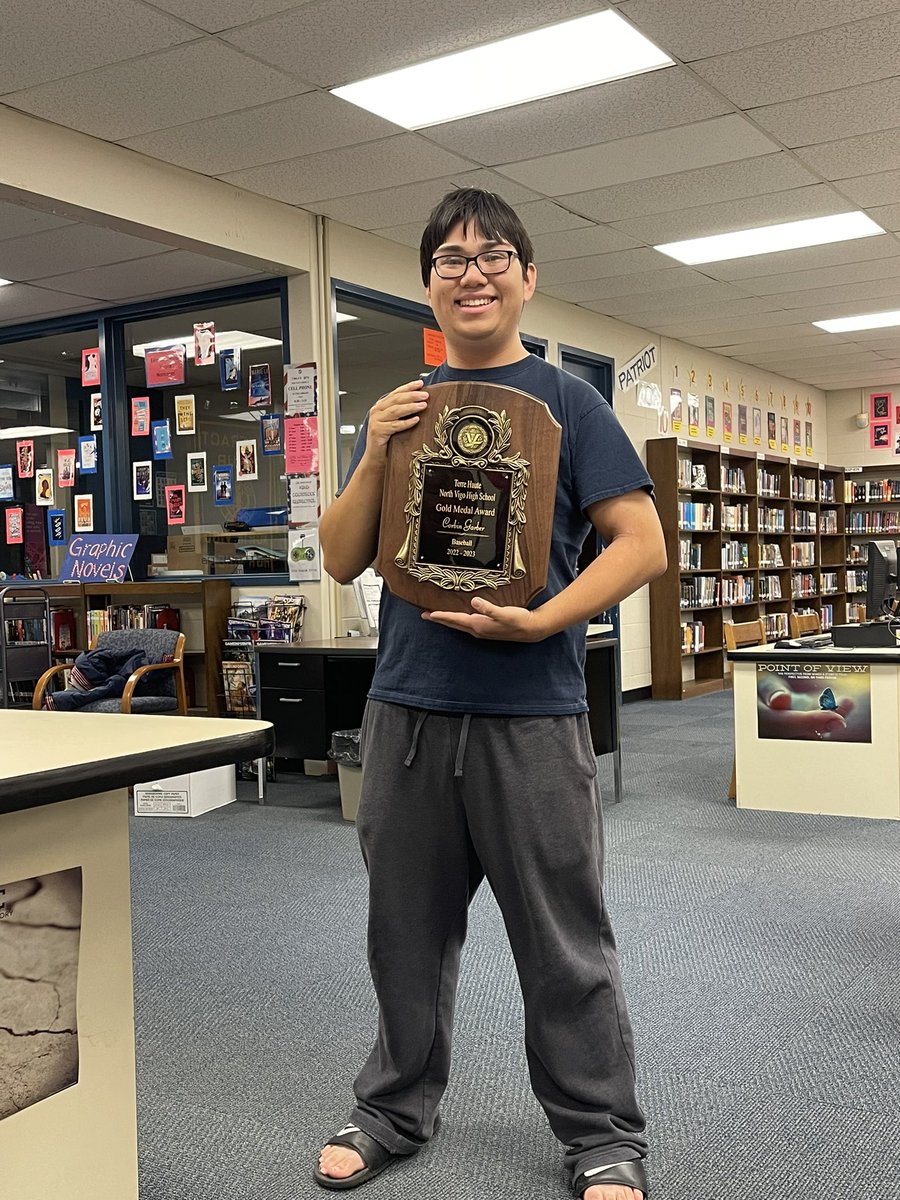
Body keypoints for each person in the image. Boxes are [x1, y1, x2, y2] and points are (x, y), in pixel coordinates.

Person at [316, 188, 666, 1200]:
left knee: (563, 940)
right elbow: (340, 558)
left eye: (493, 255)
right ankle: (392, 1109)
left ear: (527, 277)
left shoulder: (570, 404)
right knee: (404, 934)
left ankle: (601, 1133)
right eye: (450, 259)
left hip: (532, 717)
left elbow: (641, 544)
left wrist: (546, 619)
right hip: (407, 710)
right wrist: (375, 449)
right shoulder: (404, 408)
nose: (472, 273)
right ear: (429, 285)